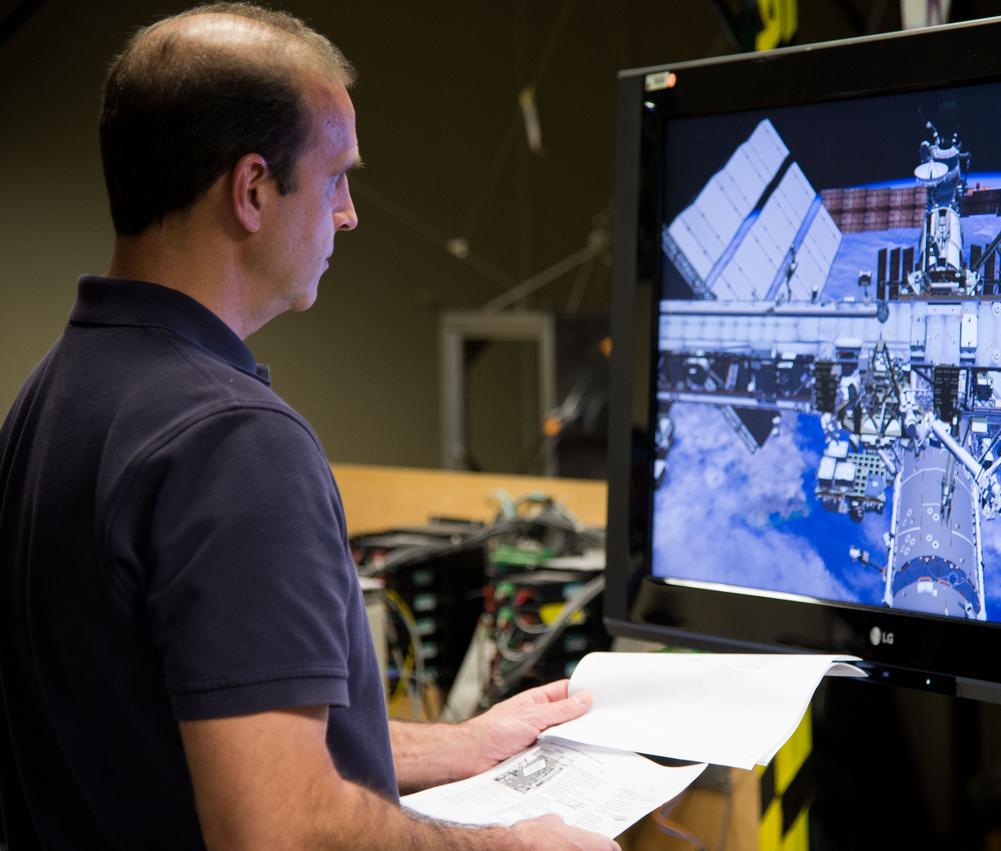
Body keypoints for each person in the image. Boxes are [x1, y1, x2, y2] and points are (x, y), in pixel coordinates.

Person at [0, 4, 619, 849]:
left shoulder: (57, 391)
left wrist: (459, 745)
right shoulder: (232, 443)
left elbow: (197, 729)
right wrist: (515, 846)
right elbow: (280, 827)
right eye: (337, 177)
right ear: (252, 189)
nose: (350, 213)